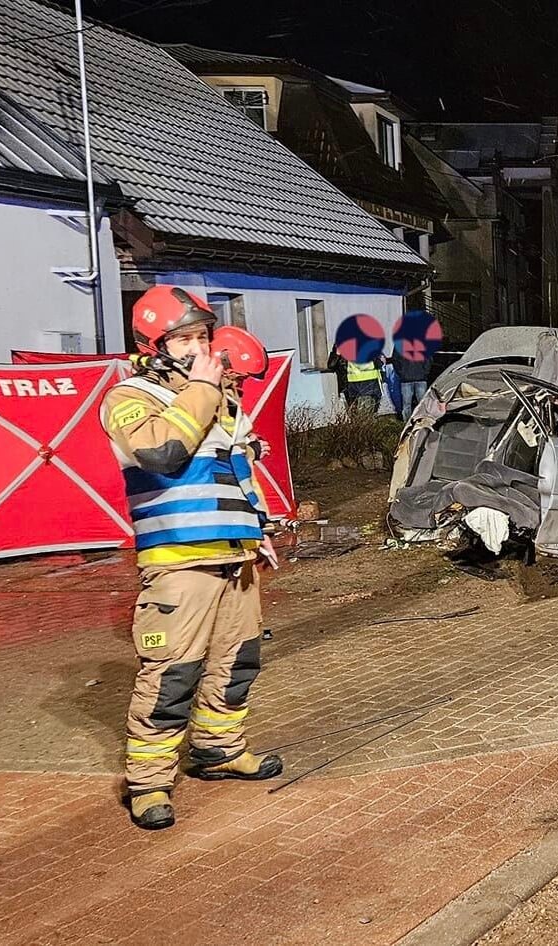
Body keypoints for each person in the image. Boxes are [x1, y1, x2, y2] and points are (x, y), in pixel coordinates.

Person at [100, 287, 283, 830]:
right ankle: (149, 783)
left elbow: (235, 468)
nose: (201, 348)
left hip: (236, 555)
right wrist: (203, 386)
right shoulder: (130, 397)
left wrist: (260, 528)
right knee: (172, 674)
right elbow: (164, 452)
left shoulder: (214, 399)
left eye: (203, 336)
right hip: (179, 561)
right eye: (184, 338)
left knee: (237, 662)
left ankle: (219, 751)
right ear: (152, 345)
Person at [325, 345, 384, 414]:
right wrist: (337, 354)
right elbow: (331, 365)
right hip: (348, 387)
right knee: (354, 414)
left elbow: (379, 363)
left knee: (366, 416)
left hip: (368, 386)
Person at [392, 344, 432, 421]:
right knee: (422, 403)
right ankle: (422, 422)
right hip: (418, 378)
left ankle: (408, 424)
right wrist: (425, 372)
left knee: (407, 405)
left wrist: (401, 373)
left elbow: (395, 360)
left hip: (409, 379)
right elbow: (429, 359)